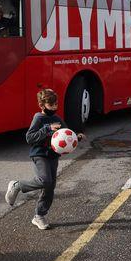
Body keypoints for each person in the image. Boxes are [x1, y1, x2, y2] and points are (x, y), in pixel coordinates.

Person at [5, 88, 85, 230]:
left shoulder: (58, 118)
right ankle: (17, 185)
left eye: (56, 104)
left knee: (49, 187)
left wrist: (76, 137)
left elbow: (66, 134)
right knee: (45, 180)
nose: (54, 107)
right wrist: (47, 129)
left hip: (53, 156)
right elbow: (29, 138)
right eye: (51, 105)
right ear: (42, 105)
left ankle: (39, 216)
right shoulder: (39, 118)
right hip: (39, 154)